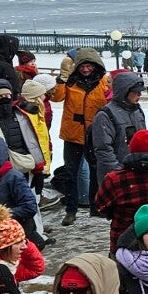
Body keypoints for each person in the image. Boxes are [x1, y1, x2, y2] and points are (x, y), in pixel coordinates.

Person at [49, 48, 110, 225]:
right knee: (70, 174)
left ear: (96, 65)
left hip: (94, 134)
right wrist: (62, 78)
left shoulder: (103, 82)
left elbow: (110, 100)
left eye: (89, 66)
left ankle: (95, 206)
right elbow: (56, 98)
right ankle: (71, 209)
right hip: (72, 135)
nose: (85, 69)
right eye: (82, 66)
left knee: (96, 173)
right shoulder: (70, 82)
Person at [92, 129, 148, 251]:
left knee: (119, 263)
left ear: (131, 148)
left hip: (124, 241)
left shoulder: (115, 179)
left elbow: (100, 205)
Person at [86, 72, 148, 212]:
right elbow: (103, 150)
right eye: (136, 92)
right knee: (121, 216)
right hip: (118, 175)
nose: (139, 95)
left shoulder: (137, 111)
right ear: (125, 91)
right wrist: (119, 172)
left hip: (137, 172)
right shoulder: (105, 115)